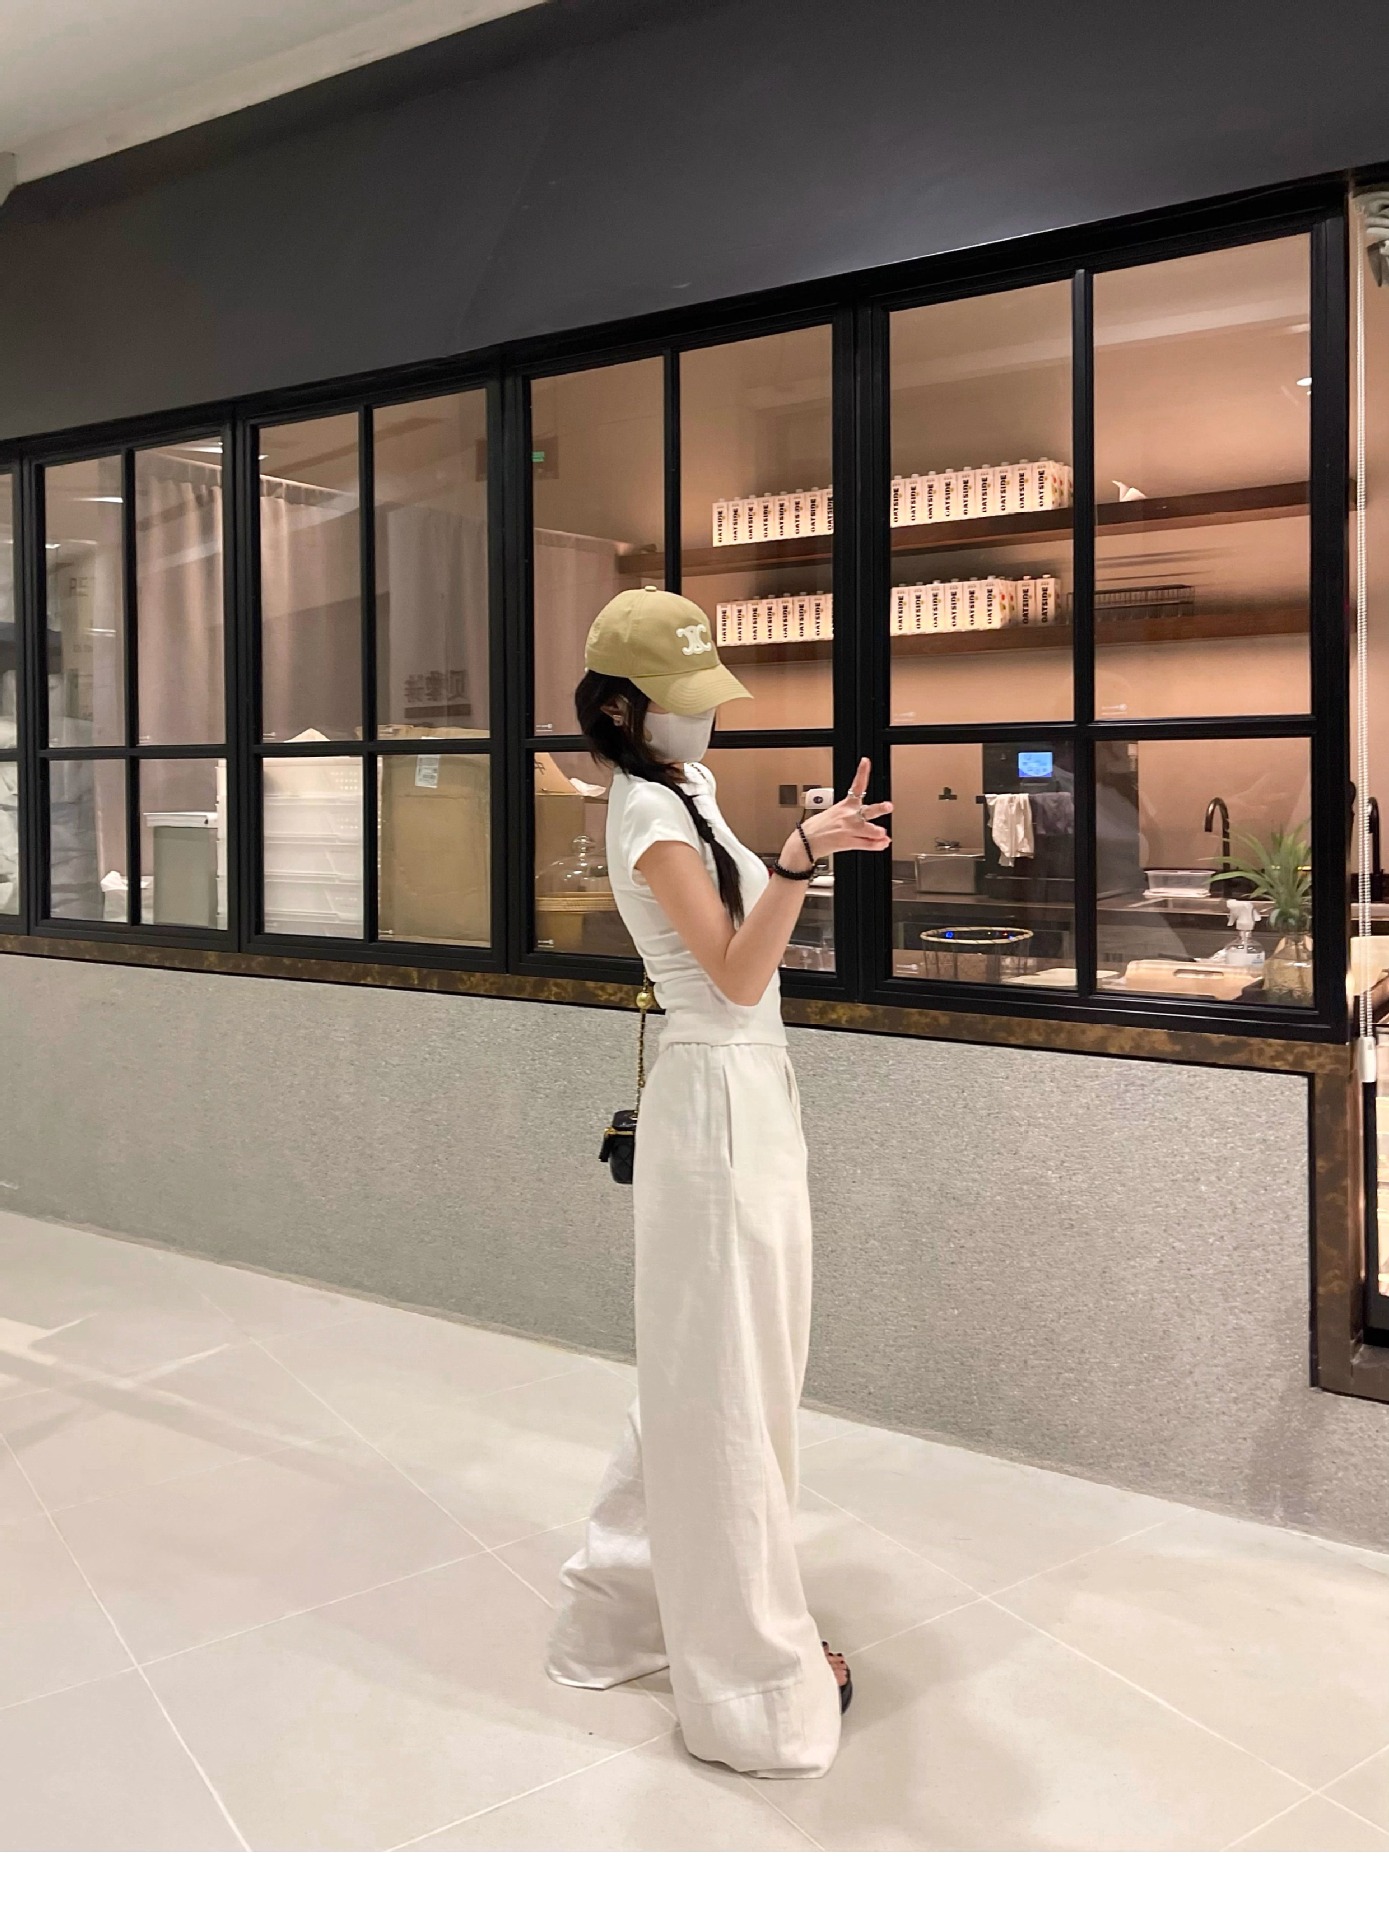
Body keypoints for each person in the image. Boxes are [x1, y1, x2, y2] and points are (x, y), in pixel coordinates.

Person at [545, 585, 892, 1779]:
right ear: (621, 707)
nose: (704, 717)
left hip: (744, 1092)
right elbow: (739, 975)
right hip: (718, 1099)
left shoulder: (682, 789)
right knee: (728, 1382)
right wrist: (799, 856)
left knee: (714, 1368)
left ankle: (625, 1610)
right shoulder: (648, 809)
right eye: (682, 699)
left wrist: (798, 854)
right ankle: (752, 1680)